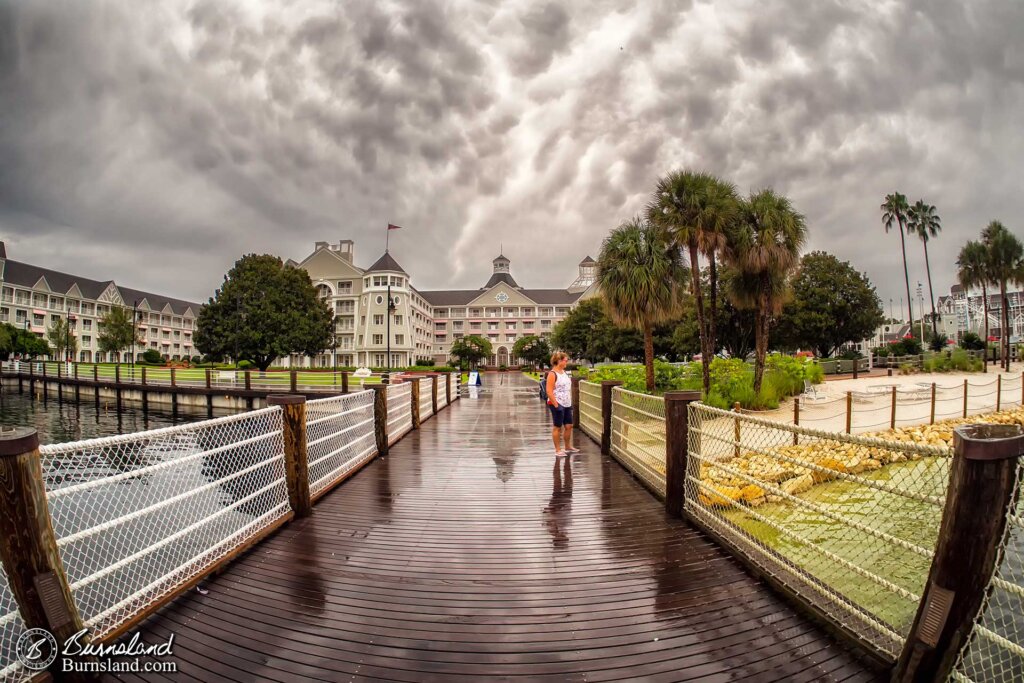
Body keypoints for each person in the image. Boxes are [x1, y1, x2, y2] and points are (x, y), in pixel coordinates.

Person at [545, 351, 579, 457]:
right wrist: (555, 405)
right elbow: (549, 391)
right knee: (557, 426)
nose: (566, 362)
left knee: (569, 426)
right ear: (559, 361)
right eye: (565, 360)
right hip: (557, 402)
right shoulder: (552, 374)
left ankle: (567, 446)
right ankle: (558, 449)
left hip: (566, 403)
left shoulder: (564, 372)